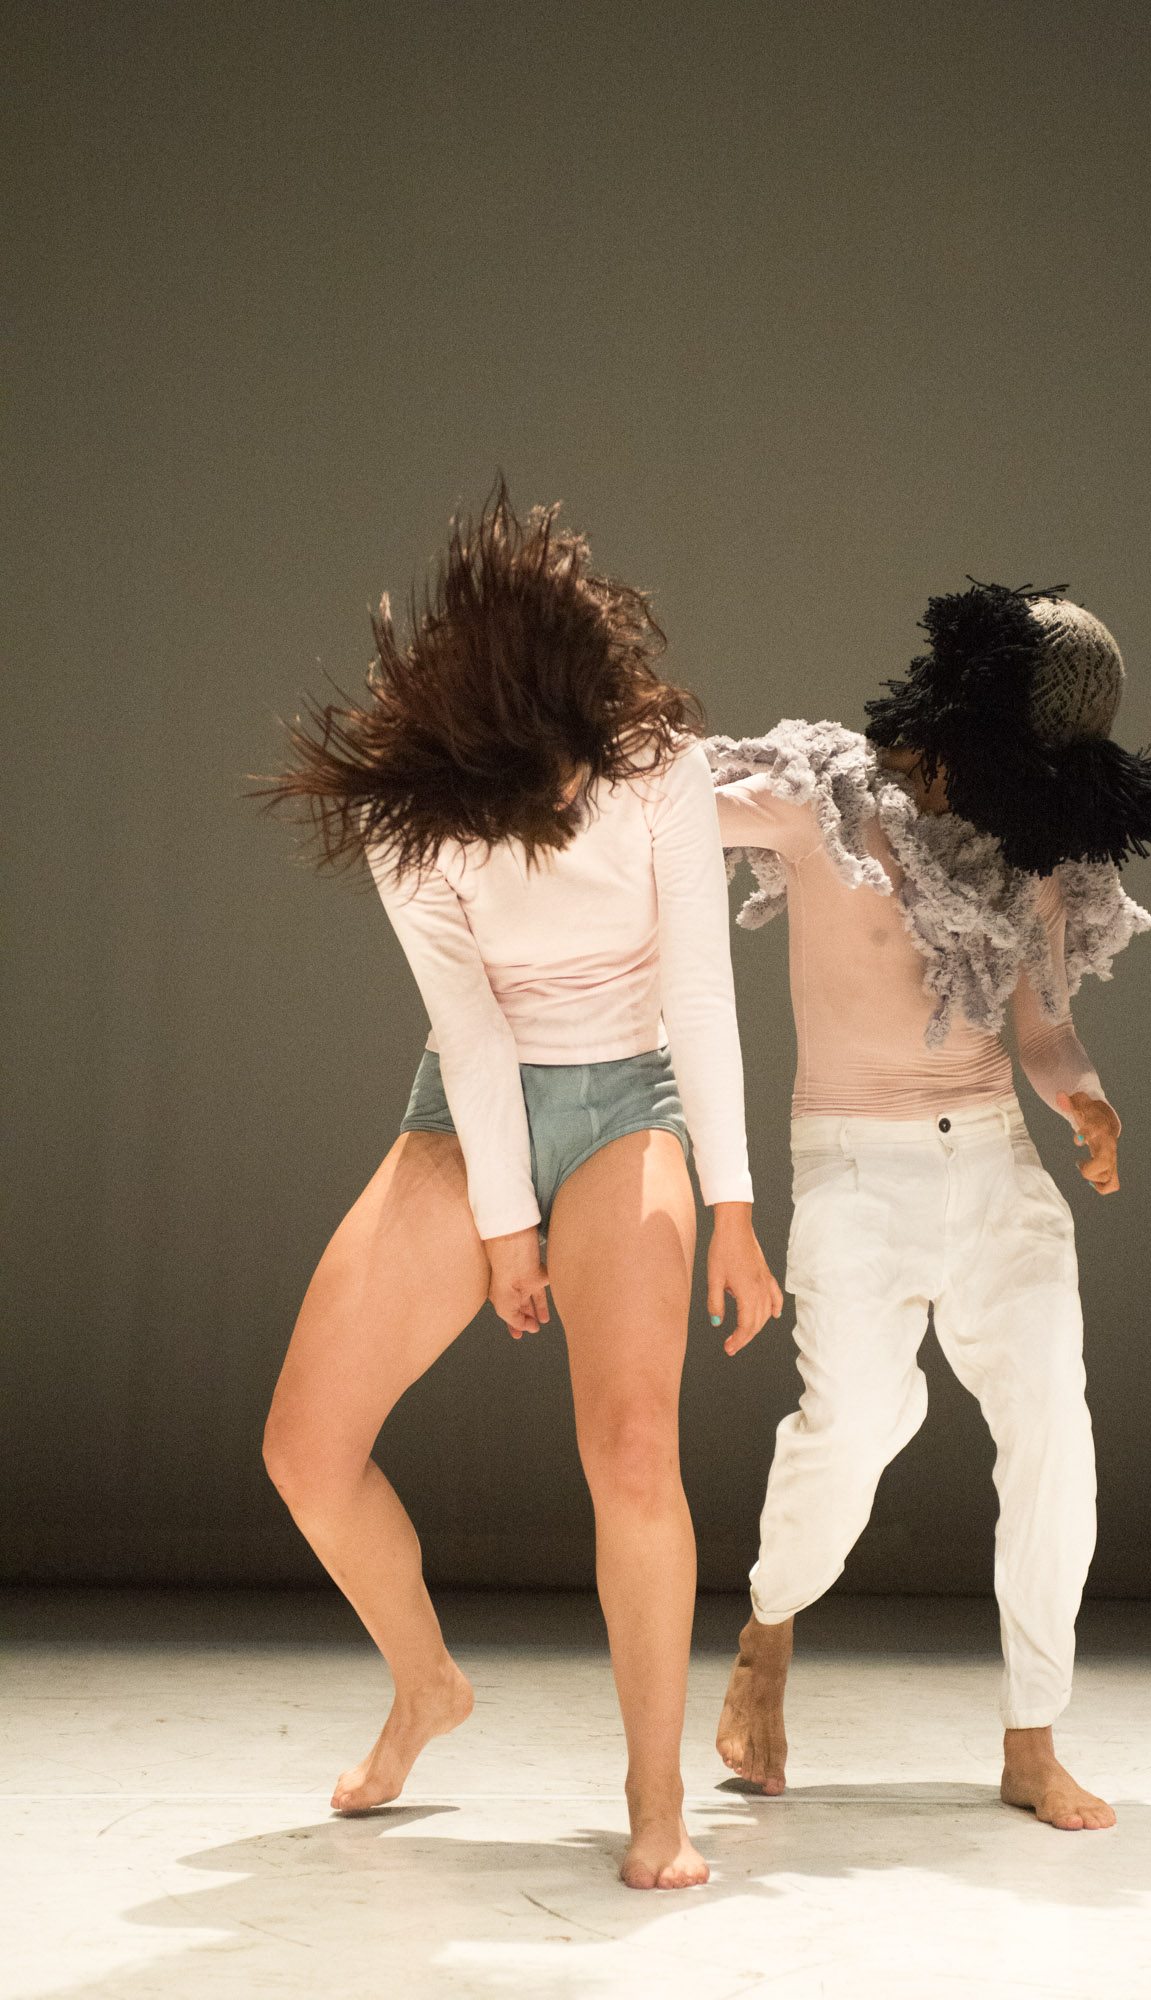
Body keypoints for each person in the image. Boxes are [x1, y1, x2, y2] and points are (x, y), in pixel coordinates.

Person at [257, 487, 782, 1890]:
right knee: (304, 1449)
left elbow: (699, 989)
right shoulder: (412, 819)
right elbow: (473, 1031)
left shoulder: (654, 765)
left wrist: (733, 1210)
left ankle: (655, 1793)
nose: (564, 794)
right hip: (469, 1107)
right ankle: (425, 1683)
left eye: (572, 765)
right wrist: (505, 1227)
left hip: (629, 1102)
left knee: (632, 1446)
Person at [708, 582, 1151, 1831]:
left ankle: (1032, 1737)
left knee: (1053, 1435)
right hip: (854, 1170)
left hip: (993, 1166)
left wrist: (1084, 1099)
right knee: (851, 1430)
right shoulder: (822, 801)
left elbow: (1043, 1028)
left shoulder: (1025, 841)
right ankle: (766, 1634)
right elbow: (651, 821)